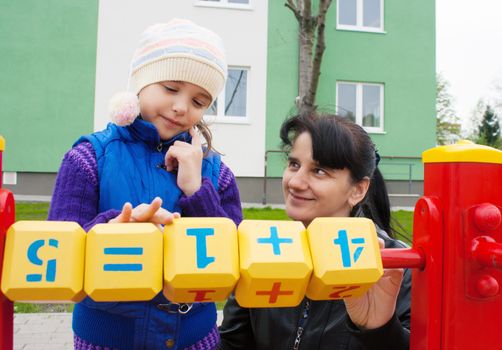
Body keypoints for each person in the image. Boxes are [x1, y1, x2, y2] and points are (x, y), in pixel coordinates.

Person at [48, 18, 242, 350]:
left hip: (194, 338)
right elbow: (57, 254)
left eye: (198, 102)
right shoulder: (89, 157)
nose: (181, 107)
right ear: (140, 81)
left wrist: (197, 189)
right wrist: (111, 227)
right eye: (170, 88)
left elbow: (233, 259)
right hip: (107, 341)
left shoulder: (215, 172)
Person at [218, 113, 411, 350]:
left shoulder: (395, 268)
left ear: (358, 190)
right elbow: (231, 343)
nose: (295, 182)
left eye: (319, 171)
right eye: (294, 164)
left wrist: (379, 330)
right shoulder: (263, 248)